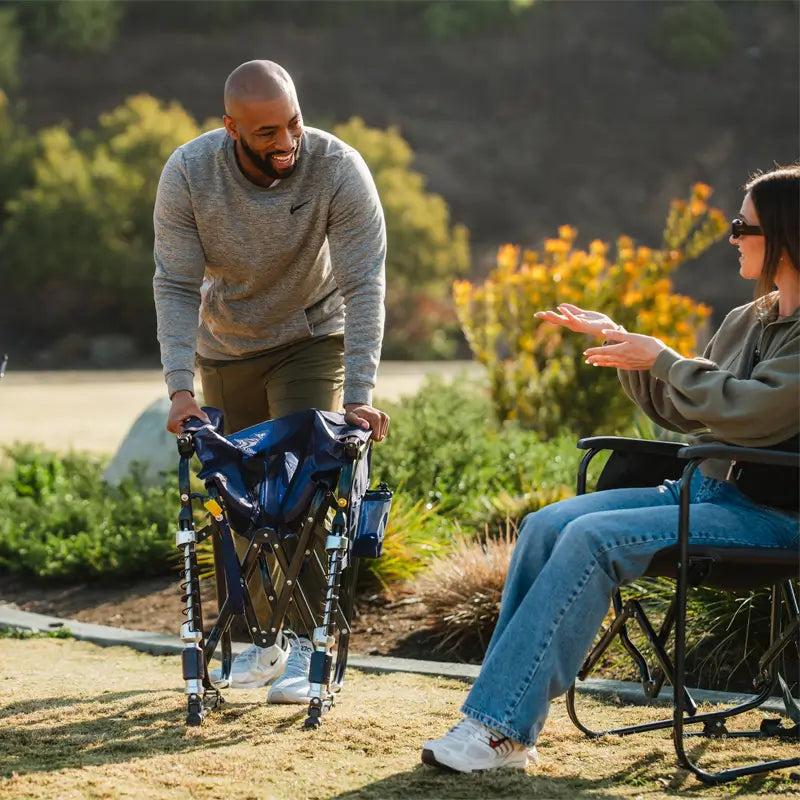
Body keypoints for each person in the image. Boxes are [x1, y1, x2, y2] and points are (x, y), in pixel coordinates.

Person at [421, 164, 800, 772]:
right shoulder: (746, 319)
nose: (731, 238)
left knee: (593, 538)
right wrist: (632, 350)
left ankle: (499, 728)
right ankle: (502, 726)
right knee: (546, 525)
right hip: (701, 490)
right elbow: (689, 408)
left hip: (774, 516)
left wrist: (666, 359)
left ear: (786, 233)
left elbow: (752, 412)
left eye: (742, 226)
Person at [153, 60, 390, 703]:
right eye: (265, 133)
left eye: (293, 123)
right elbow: (175, 284)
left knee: (304, 487)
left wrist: (361, 393)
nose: (286, 142)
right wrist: (180, 388)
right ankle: (263, 640)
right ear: (230, 127)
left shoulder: (337, 168)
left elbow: (363, 283)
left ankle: (307, 649)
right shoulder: (189, 173)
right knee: (241, 498)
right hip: (226, 346)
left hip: (311, 340)